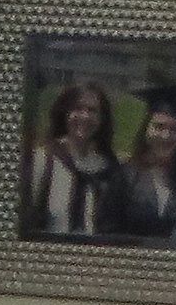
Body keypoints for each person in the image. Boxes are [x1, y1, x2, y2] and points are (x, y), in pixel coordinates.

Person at [22, 81, 118, 240]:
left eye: (92, 111)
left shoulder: (110, 170)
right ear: (65, 113)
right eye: (77, 109)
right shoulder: (44, 161)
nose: (85, 116)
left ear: (102, 119)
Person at [108, 93, 176, 238]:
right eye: (159, 127)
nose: (166, 136)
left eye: (175, 129)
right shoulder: (124, 176)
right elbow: (107, 229)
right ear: (146, 129)